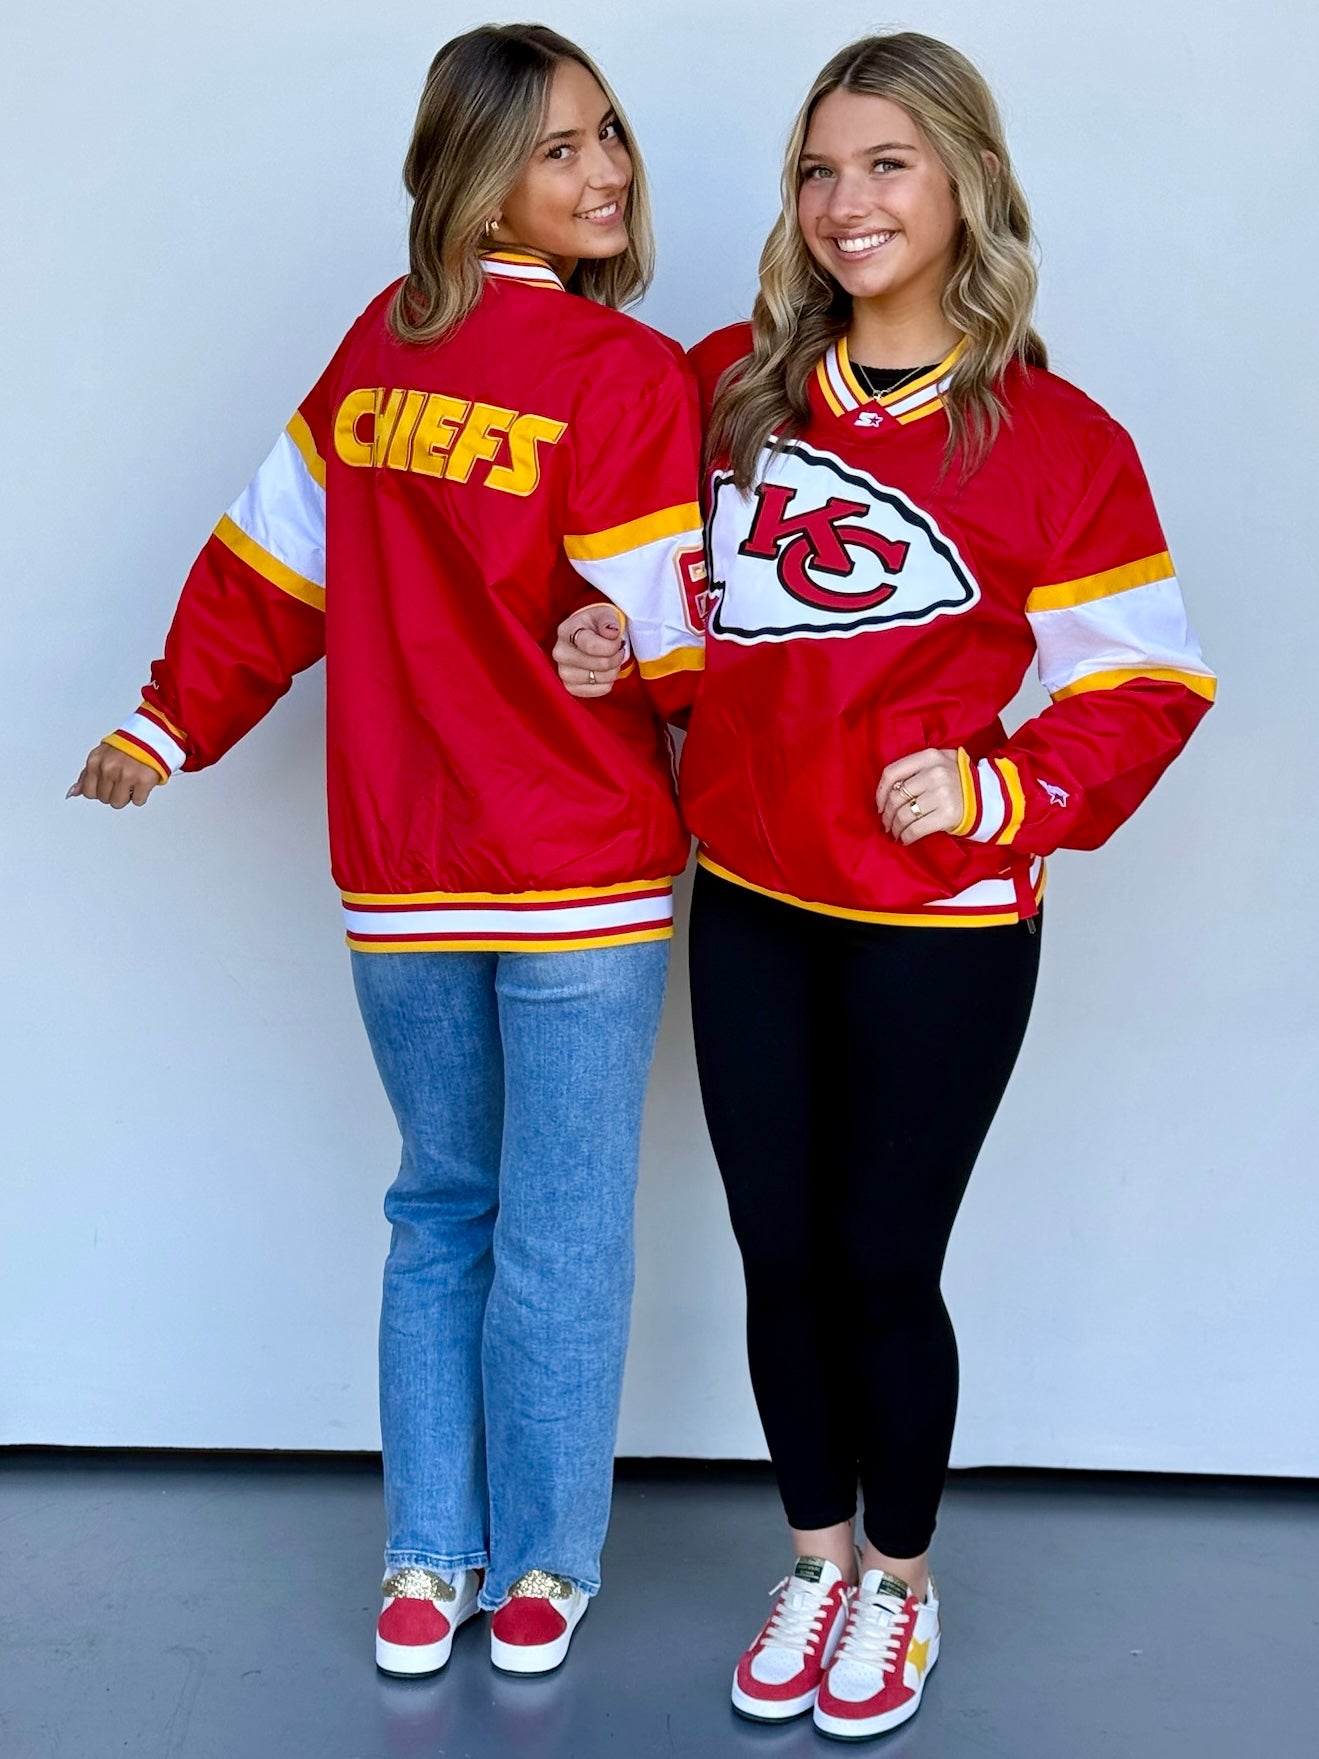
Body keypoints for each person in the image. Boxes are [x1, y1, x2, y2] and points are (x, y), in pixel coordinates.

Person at [555, 29, 1214, 1739]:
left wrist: (1003, 788)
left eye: (887, 164)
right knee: (777, 1251)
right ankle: (817, 1563)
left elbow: (1150, 684)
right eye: (818, 170)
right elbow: (673, 608)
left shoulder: (1058, 441)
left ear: (969, 183)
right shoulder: (729, 386)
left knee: (877, 1261)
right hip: (751, 897)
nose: (846, 203)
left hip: (939, 930)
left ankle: (902, 1587)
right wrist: (610, 641)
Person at [69, 23, 704, 1680]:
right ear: (474, 180)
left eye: (608, 133)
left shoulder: (431, 349)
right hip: (541, 870)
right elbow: (668, 643)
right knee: (519, 1223)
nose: (606, 171)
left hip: (468, 869)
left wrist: (168, 720)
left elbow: (270, 570)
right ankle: (511, 1561)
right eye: (559, 147)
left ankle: (450, 1560)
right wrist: (164, 725)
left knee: (457, 1214)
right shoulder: (570, 367)